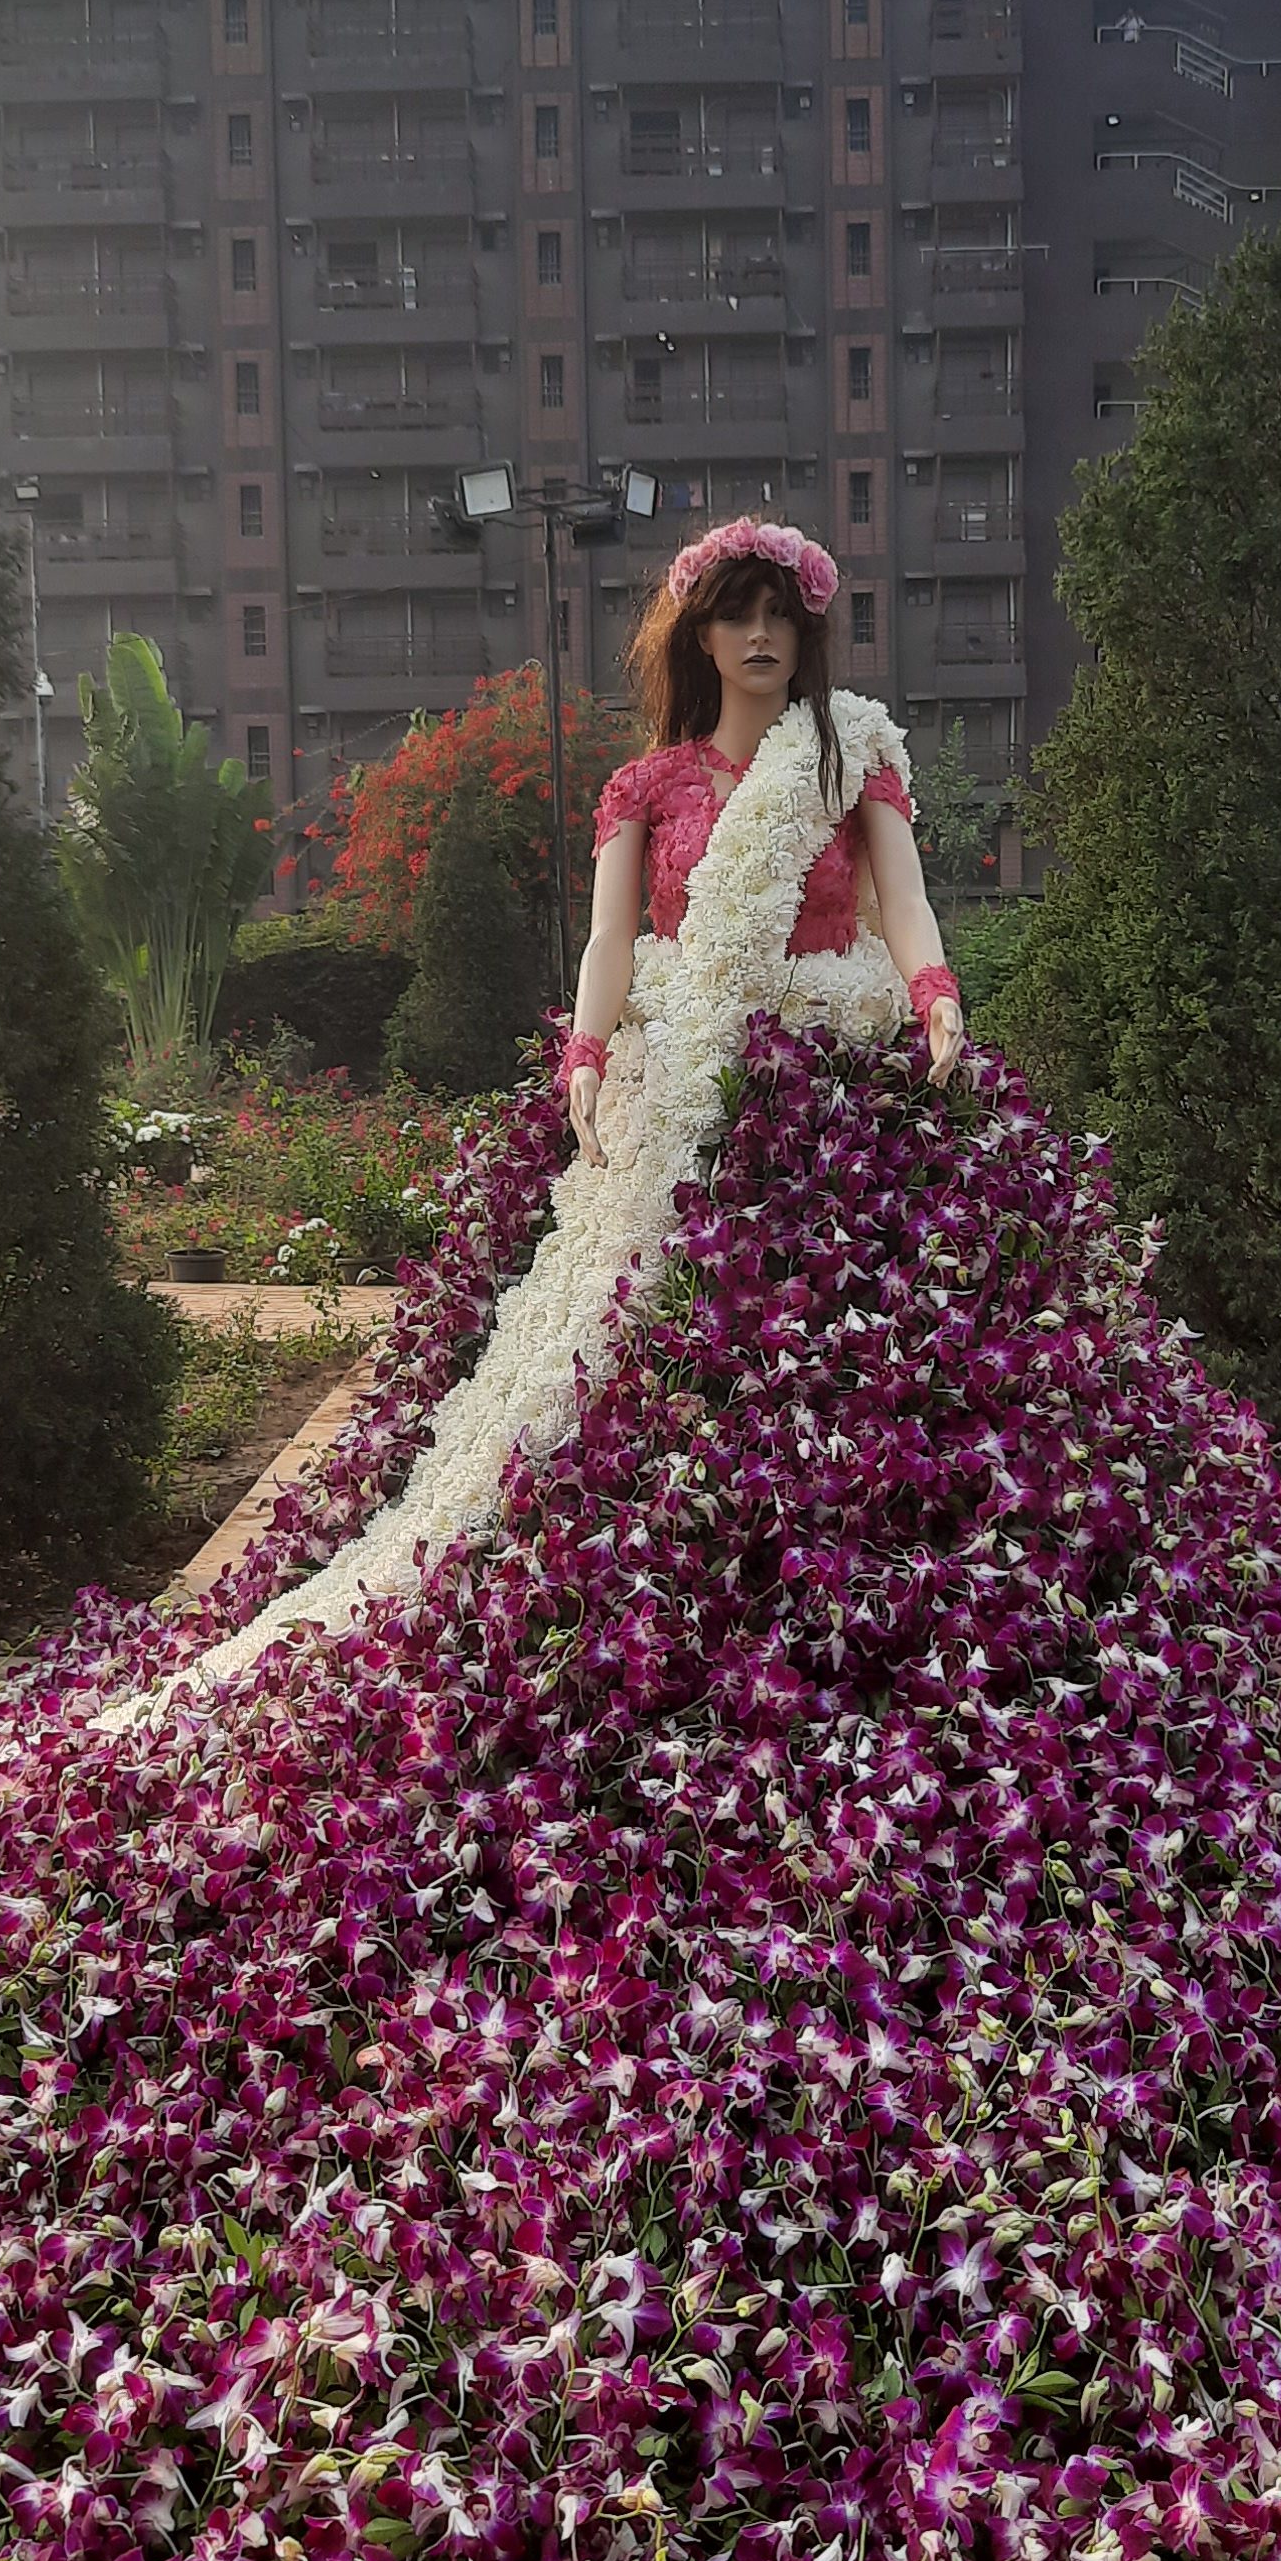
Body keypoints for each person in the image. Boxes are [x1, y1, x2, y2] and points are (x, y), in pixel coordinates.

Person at [120, 520, 963, 1708]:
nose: (761, 634)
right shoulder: (649, 783)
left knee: (841, 1368)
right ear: (702, 634)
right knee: (641, 1346)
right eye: (737, 612)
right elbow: (614, 937)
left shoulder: (849, 758)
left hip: (831, 1098)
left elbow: (905, 902)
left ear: (807, 630)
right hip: (680, 1090)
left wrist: (933, 996)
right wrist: (582, 1053)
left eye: (781, 613)